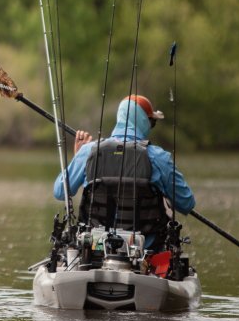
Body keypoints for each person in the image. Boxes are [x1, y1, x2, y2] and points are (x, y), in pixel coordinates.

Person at [53, 94, 194, 251]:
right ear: (143, 121)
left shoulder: (88, 152)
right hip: (145, 250)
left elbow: (60, 192)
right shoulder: (160, 158)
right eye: (152, 122)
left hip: (96, 248)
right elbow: (186, 203)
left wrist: (78, 156)